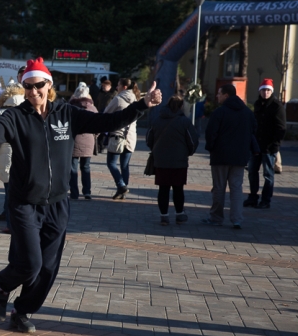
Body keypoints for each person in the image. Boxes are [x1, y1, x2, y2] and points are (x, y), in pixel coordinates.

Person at [0, 57, 162, 333]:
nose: (33, 92)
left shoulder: (66, 114)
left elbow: (108, 120)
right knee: (30, 264)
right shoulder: (16, 117)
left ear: (49, 84)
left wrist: (142, 105)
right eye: (28, 86)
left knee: (47, 269)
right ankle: (1, 287)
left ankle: (22, 312)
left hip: (57, 204)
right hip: (24, 204)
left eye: (38, 85)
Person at [202, 84, 257, 229]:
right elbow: (253, 131)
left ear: (226, 95)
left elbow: (210, 133)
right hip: (240, 157)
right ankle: (237, 219)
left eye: (219, 93)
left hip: (221, 156)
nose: (217, 96)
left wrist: (211, 147)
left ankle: (216, 217)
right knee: (236, 188)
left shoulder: (220, 112)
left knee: (219, 188)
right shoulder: (247, 112)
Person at [146, 95, 199, 225]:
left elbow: (149, 139)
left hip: (161, 160)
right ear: (181, 106)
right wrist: (188, 153)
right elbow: (193, 141)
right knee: (178, 188)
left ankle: (164, 216)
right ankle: (179, 214)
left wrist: (156, 150)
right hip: (179, 161)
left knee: (163, 189)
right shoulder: (184, 121)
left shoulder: (157, 120)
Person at [245, 78, 286, 210]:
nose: (266, 93)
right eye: (263, 90)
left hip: (269, 147)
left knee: (268, 175)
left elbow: (281, 128)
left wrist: (275, 145)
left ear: (271, 91)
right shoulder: (257, 104)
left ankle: (266, 200)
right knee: (252, 171)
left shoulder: (276, 106)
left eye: (268, 90)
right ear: (260, 91)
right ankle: (253, 197)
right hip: (256, 146)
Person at [0, 83, 25, 233]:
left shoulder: (2, 113)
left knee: (9, 192)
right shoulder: (28, 112)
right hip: (25, 156)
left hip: (7, 154)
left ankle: (10, 224)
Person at [104, 78, 141, 199]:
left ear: (124, 87)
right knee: (125, 166)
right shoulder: (136, 100)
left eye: (118, 85)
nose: (116, 87)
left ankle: (121, 186)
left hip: (117, 136)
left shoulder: (118, 99)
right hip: (131, 137)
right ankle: (122, 191)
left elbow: (106, 113)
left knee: (111, 163)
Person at [68, 83, 98, 200]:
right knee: (86, 167)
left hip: (74, 140)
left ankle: (74, 193)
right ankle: (87, 192)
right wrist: (95, 135)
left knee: (73, 168)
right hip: (89, 140)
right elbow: (98, 125)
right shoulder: (92, 108)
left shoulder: (70, 107)